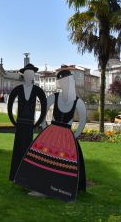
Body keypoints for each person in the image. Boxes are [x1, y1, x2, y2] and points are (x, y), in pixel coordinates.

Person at [14, 69, 87, 202]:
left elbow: (82, 121)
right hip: (51, 132)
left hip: (66, 137)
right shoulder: (55, 96)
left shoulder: (78, 102)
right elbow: (44, 109)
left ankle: (58, 188)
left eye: (65, 81)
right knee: (42, 160)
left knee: (59, 163)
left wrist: (74, 136)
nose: (63, 84)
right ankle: (38, 186)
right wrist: (44, 126)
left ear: (70, 82)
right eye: (61, 82)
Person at [7, 63, 47, 181]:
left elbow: (44, 108)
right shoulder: (18, 89)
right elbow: (9, 105)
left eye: (32, 74)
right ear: (24, 75)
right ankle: (15, 175)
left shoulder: (37, 90)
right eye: (28, 73)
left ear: (34, 75)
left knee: (27, 149)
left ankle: (25, 175)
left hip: (30, 123)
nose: (30, 75)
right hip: (20, 123)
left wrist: (37, 122)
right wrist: (13, 121)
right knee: (18, 149)